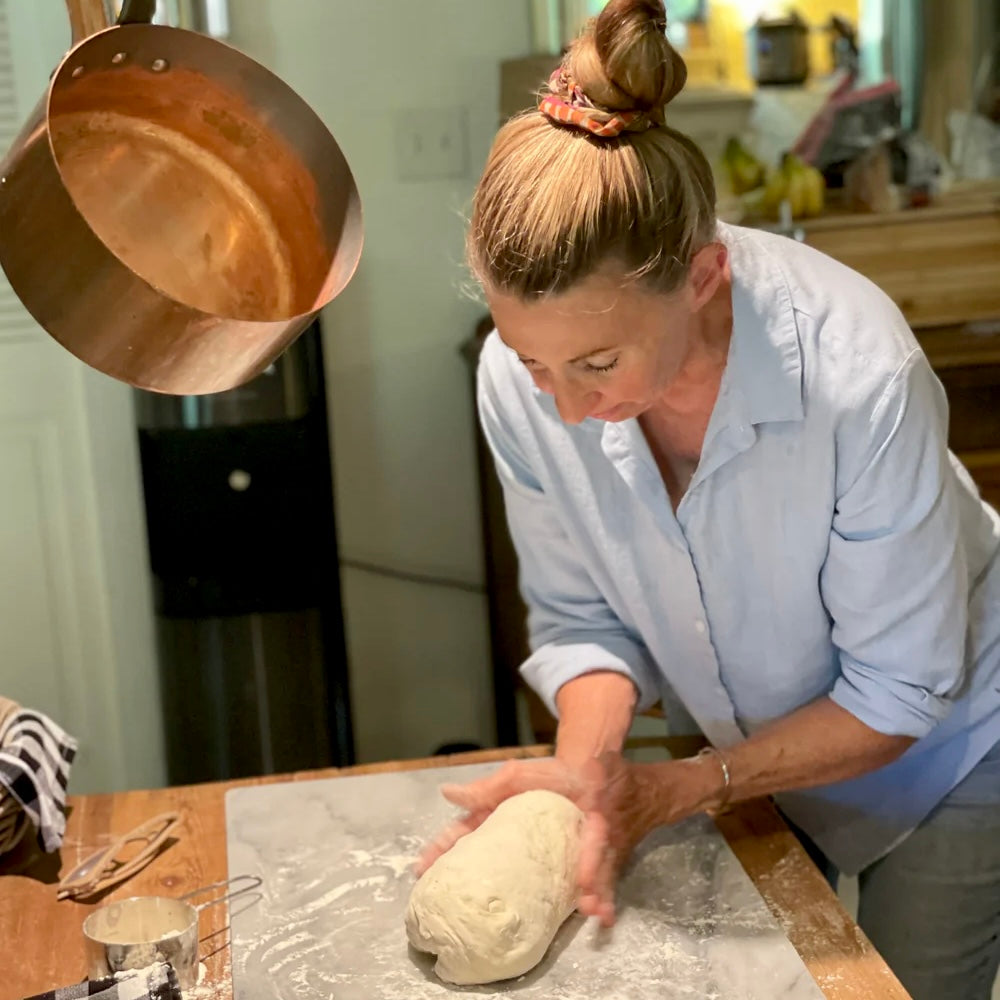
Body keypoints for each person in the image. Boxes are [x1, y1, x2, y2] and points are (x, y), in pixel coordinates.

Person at [417, 2, 1000, 998]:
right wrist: (587, 777)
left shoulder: (856, 379)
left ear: (702, 277)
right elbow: (584, 620)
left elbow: (899, 689)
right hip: (759, 755)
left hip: (951, 753)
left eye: (596, 362)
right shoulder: (522, 387)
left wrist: (689, 783)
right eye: (533, 363)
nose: (564, 408)